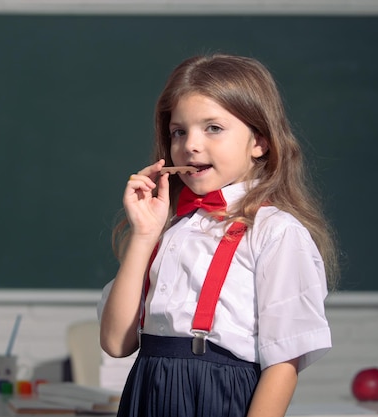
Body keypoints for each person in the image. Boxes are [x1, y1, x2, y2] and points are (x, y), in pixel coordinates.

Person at [98, 53, 339, 417]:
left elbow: (283, 365)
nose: (191, 144)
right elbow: (116, 342)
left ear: (259, 142)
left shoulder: (276, 232)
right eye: (179, 131)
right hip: (148, 389)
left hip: (218, 394)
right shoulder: (169, 229)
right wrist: (144, 235)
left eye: (213, 128)